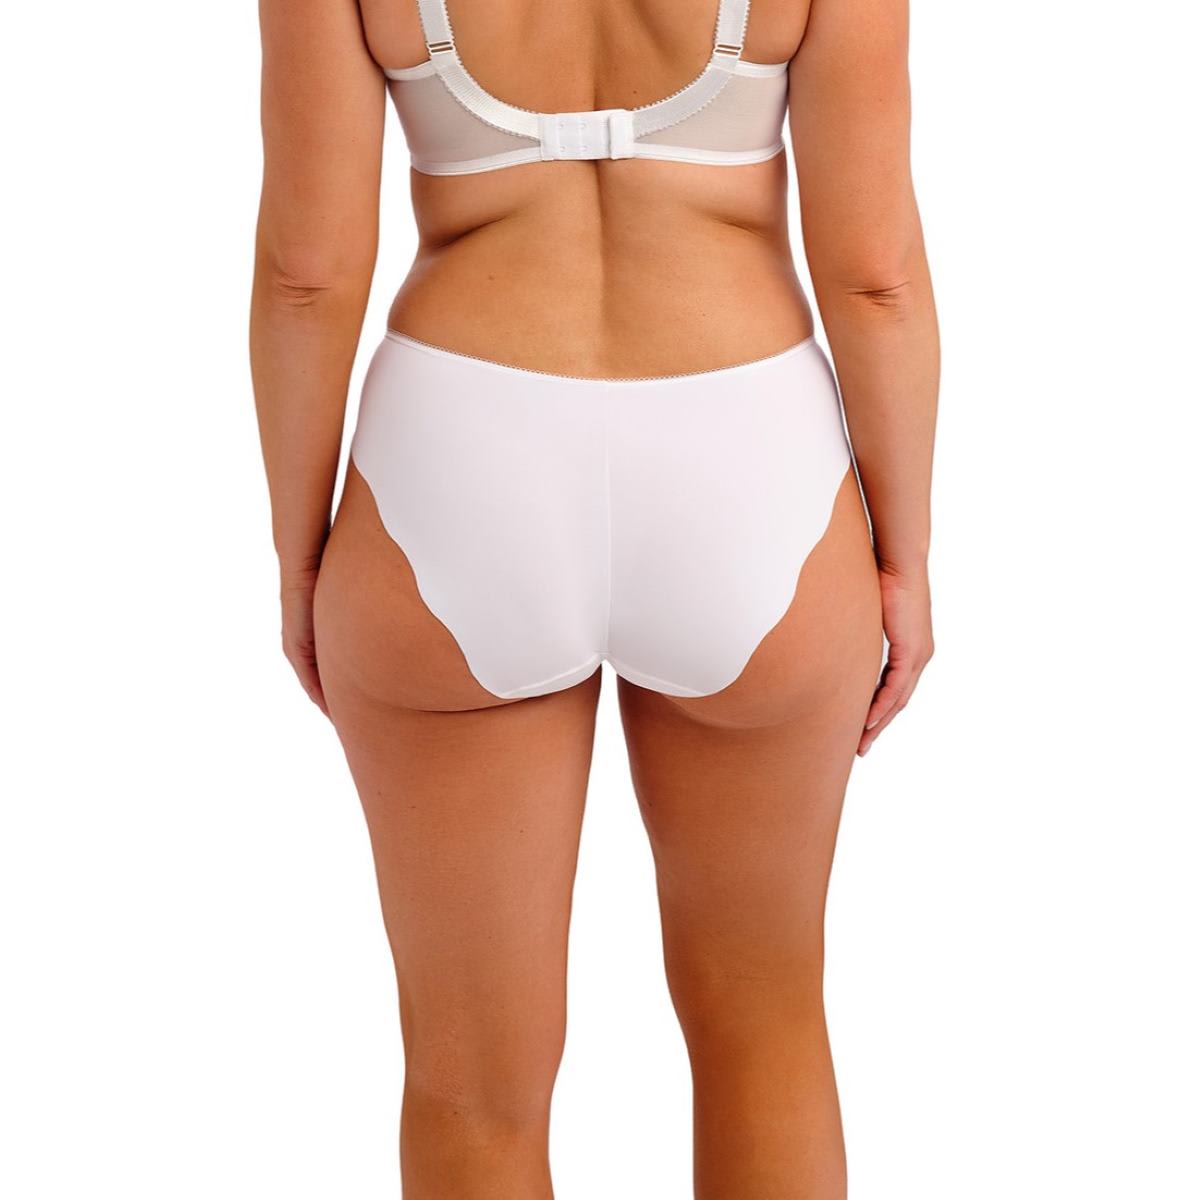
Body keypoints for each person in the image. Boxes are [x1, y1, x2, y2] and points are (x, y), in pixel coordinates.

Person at [250, 0, 937, 1194]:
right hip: (746, 461)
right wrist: (906, 558)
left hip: (458, 465)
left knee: (471, 1086)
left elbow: (305, 277)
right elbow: (876, 277)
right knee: (764, 1025)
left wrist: (299, 551)